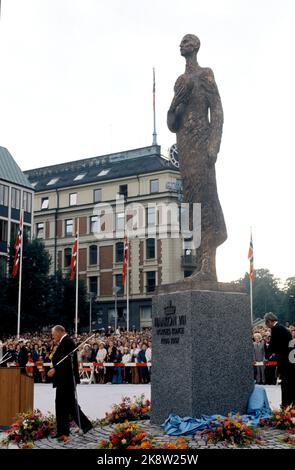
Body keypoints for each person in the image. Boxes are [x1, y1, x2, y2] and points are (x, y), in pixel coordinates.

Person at [167, 34, 226, 280]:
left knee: (206, 200)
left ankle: (207, 266)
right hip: (185, 149)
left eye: (186, 42)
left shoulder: (205, 75)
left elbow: (218, 112)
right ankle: (204, 268)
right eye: (181, 42)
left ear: (196, 47)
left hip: (202, 146)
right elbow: (172, 123)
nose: (181, 45)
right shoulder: (180, 82)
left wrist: (214, 146)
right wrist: (175, 101)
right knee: (192, 205)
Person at [47, 325, 92, 441]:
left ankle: (66, 430)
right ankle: (71, 428)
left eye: (53, 334)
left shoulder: (67, 341)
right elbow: (61, 358)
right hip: (64, 379)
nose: (52, 336)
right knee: (68, 404)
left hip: (66, 379)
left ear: (59, 332)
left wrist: (55, 368)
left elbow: (66, 361)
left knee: (64, 404)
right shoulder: (64, 341)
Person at [264, 313, 295, 407]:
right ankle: (290, 405)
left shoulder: (276, 329)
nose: (266, 325)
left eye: (266, 323)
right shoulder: (282, 328)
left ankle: (286, 406)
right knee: (289, 385)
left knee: (286, 386)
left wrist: (268, 355)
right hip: (290, 361)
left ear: (269, 321)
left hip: (286, 363)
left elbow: (274, 345)